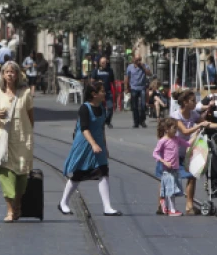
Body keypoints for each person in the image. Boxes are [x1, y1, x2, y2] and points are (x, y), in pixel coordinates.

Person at [58, 80, 122, 216]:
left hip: (98, 145)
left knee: (103, 171)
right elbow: (84, 129)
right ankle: (63, 202)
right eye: (102, 91)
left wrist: (105, 146)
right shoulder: (84, 108)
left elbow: (101, 128)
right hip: (85, 145)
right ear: (94, 94)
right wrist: (93, 144)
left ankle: (107, 207)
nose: (105, 93)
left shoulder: (102, 109)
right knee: (78, 175)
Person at [0, 61, 34, 222]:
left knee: (22, 175)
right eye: (6, 72)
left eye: (13, 72)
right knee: (6, 174)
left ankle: (18, 204)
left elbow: (30, 115)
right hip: (4, 138)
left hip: (22, 139)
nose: (10, 74)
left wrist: (28, 133)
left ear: (17, 74)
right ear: (2, 74)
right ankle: (10, 210)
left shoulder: (25, 92)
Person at [169, 90, 217, 215]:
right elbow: (184, 131)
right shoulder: (176, 116)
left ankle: (189, 205)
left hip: (187, 151)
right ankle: (161, 204)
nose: (195, 103)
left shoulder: (193, 114)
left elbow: (207, 124)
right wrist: (200, 126)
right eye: (193, 100)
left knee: (192, 175)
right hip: (173, 152)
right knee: (169, 178)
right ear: (185, 102)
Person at [153, 118, 190, 216]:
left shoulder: (176, 139)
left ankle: (164, 203)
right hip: (167, 170)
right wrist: (164, 161)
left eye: (177, 128)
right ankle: (172, 210)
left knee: (172, 189)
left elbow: (187, 144)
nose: (176, 131)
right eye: (174, 128)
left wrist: (197, 136)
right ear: (167, 129)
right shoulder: (163, 141)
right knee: (171, 190)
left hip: (175, 169)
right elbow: (155, 153)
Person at [125, 55, 151, 128]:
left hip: (142, 87)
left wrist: (143, 67)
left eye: (139, 60)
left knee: (143, 105)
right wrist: (127, 88)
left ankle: (142, 120)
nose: (138, 62)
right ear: (133, 60)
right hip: (133, 88)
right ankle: (136, 122)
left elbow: (149, 74)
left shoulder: (144, 66)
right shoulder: (130, 67)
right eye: (136, 60)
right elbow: (127, 77)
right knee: (134, 106)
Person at [92, 57, 116, 128]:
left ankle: (107, 121)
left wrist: (115, 90)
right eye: (102, 63)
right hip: (99, 92)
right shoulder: (96, 71)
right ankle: (102, 121)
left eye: (105, 62)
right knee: (101, 108)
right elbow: (92, 81)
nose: (104, 64)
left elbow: (113, 81)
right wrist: (97, 83)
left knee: (110, 107)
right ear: (100, 63)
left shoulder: (110, 70)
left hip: (107, 91)